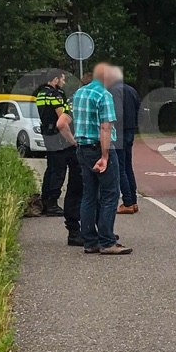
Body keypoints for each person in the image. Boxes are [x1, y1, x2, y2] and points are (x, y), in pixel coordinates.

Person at [72, 63, 130, 255]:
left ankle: (89, 241)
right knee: (110, 194)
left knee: (89, 194)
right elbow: (105, 128)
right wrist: (105, 156)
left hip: (83, 148)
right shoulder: (104, 96)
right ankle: (107, 241)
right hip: (99, 148)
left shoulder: (79, 93)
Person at [35, 71, 72, 217]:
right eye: (63, 79)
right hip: (57, 135)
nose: (64, 82)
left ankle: (45, 201)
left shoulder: (41, 93)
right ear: (55, 79)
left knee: (51, 168)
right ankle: (52, 204)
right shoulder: (56, 95)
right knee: (59, 169)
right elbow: (61, 118)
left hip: (46, 132)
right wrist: (71, 139)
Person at [108, 66, 142, 214]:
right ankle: (133, 201)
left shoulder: (113, 91)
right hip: (130, 130)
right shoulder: (131, 90)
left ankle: (127, 202)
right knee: (128, 166)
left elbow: (115, 113)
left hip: (119, 132)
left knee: (120, 168)